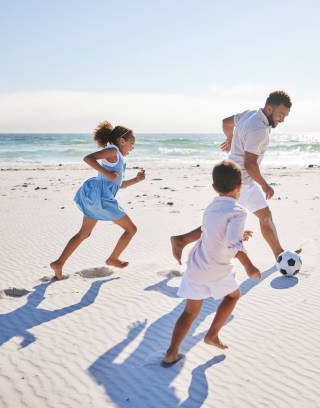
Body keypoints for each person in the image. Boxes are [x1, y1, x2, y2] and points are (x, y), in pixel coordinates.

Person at [170, 90, 293, 263]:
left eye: (285, 116)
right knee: (219, 224)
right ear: (270, 109)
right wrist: (265, 185)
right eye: (281, 114)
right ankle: (181, 240)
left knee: (265, 216)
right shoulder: (258, 129)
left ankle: (280, 255)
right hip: (239, 184)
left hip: (241, 180)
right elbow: (250, 164)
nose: (282, 119)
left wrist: (230, 139)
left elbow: (226, 122)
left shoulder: (250, 114)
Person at [163, 160, 261, 366]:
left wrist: (238, 234)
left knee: (190, 312)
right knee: (233, 296)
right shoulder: (239, 211)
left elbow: (214, 232)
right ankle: (212, 334)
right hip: (218, 269)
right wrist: (249, 265)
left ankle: (171, 352)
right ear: (240, 187)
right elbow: (233, 243)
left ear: (214, 188)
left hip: (196, 267)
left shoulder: (210, 208)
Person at [50, 121, 146, 280]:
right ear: (122, 141)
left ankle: (59, 263)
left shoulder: (119, 158)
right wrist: (107, 174)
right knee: (131, 230)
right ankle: (113, 259)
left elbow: (117, 185)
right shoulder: (113, 151)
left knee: (84, 233)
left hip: (96, 196)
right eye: (132, 143)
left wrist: (136, 180)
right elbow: (88, 158)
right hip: (100, 198)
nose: (133, 147)